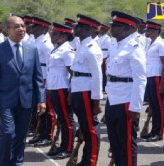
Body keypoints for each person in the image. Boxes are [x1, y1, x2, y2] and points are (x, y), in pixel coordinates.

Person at [0, 15, 46, 166]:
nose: (21, 29)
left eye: (23, 26)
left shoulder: (32, 50)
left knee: (21, 136)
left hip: (26, 100)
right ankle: (1, 163)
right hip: (5, 100)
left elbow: (37, 77)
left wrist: (41, 99)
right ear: (8, 30)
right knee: (7, 133)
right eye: (16, 26)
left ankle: (17, 163)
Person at [105, 11, 146, 166]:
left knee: (127, 144)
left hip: (126, 100)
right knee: (115, 143)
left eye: (116, 26)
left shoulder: (134, 47)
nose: (112, 28)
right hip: (112, 98)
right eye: (112, 25)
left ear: (129, 29)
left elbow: (140, 79)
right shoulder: (116, 45)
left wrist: (136, 107)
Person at [70, 14, 103, 165]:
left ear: (90, 30)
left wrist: (97, 102)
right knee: (84, 126)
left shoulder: (92, 49)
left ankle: (90, 161)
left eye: (80, 27)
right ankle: (85, 159)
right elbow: (76, 72)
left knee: (90, 129)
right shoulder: (82, 45)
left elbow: (97, 77)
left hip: (86, 92)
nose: (76, 29)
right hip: (78, 89)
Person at [46, 22, 76, 159]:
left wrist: (70, 92)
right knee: (62, 120)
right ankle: (62, 145)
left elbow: (73, 74)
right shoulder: (57, 48)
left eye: (55, 34)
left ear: (64, 36)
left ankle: (68, 147)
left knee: (66, 120)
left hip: (62, 88)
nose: (52, 36)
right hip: (54, 87)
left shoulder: (67, 50)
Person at [28, 16, 56, 147]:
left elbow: (51, 66)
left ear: (44, 28)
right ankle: (40, 133)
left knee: (48, 109)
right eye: (32, 26)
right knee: (38, 109)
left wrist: (48, 83)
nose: (32, 28)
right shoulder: (36, 41)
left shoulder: (46, 44)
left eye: (35, 26)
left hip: (44, 78)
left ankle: (48, 135)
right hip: (36, 77)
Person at [141, 21, 164, 142]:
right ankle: (154, 131)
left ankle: (159, 132)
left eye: (149, 30)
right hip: (150, 77)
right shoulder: (150, 43)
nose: (146, 32)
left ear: (156, 31)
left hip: (157, 78)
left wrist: (162, 83)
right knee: (153, 106)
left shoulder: (160, 44)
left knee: (158, 107)